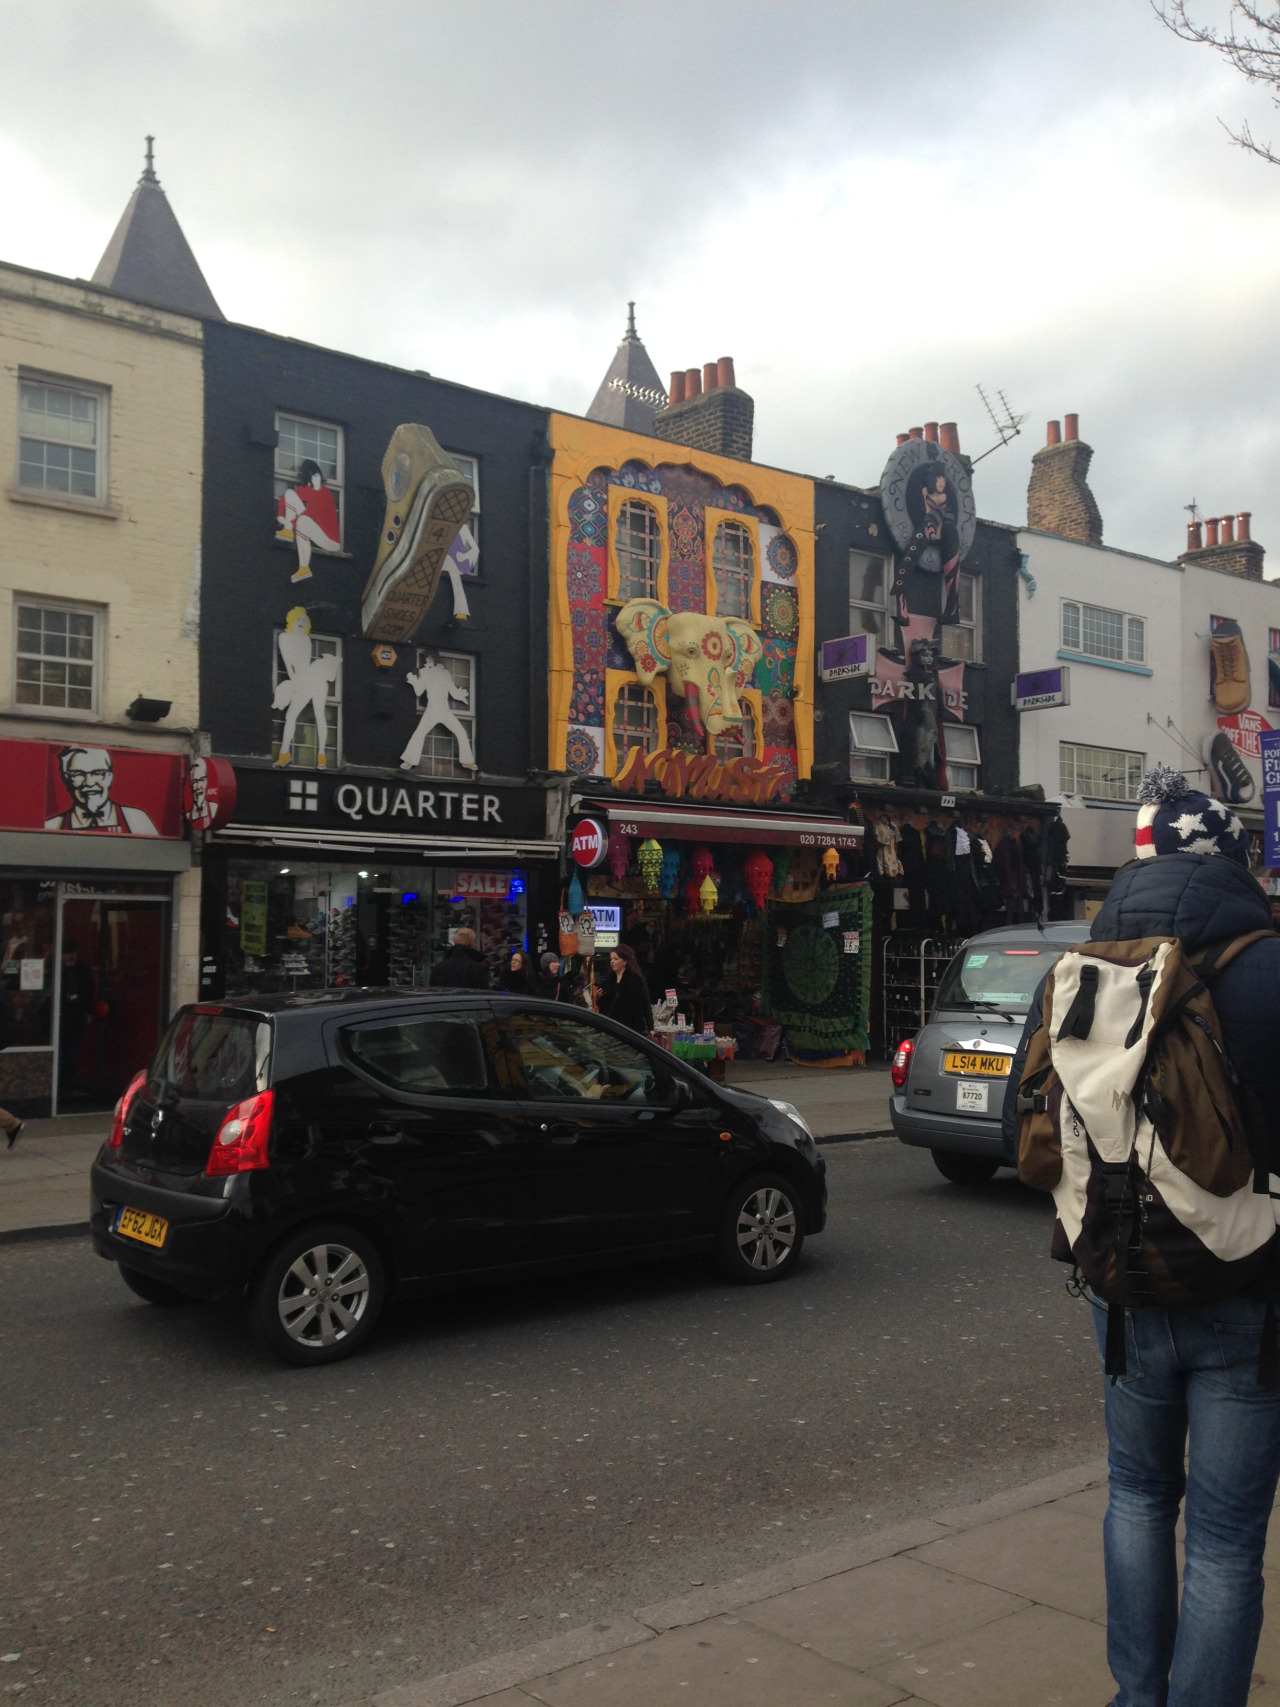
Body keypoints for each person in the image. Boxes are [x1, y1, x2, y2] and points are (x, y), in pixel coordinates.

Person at [1003, 767, 1280, 1707]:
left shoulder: (1078, 967)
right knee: (1226, 1537)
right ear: (1234, 861)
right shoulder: (1267, 969)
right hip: (1248, 1292)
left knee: (1136, 1494)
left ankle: (1138, 1696)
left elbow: (1020, 1131)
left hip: (1120, 1285)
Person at [273, 608, 339, 768]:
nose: (302, 623)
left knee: (317, 715)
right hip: (304, 680)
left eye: (304, 620)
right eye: (299, 619)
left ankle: (320, 755)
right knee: (292, 715)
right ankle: (285, 754)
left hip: (310, 680)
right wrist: (295, 682)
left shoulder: (305, 640)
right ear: (292, 620)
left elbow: (301, 664)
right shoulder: (284, 637)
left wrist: (297, 682)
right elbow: (289, 664)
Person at [45, 746, 159, 835]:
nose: (89, 783)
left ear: (110, 777)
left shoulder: (136, 819)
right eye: (78, 774)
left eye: (98, 773)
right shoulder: (52, 826)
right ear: (66, 779)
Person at [58, 944, 95, 1097]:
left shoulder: (83, 970)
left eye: (73, 953)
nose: (71, 956)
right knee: (59, 1056)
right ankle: (59, 1088)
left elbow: (89, 991)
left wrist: (88, 1012)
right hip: (59, 1019)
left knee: (71, 1057)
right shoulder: (57, 970)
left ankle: (67, 1088)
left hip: (76, 1019)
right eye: (68, 953)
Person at [603, 944, 653, 1035]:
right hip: (612, 1026)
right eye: (611, 959)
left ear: (625, 961)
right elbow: (605, 1005)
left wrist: (651, 1027)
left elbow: (646, 1002)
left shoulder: (636, 980)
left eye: (616, 959)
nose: (612, 962)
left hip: (631, 1028)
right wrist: (600, 997)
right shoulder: (608, 980)